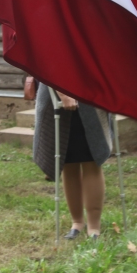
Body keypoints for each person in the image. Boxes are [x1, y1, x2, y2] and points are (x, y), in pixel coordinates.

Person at [33, 82, 112, 239]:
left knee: (92, 160)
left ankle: (94, 226)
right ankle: (77, 222)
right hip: (56, 96)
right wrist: (63, 93)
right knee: (68, 162)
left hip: (91, 94)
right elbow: (47, 62)